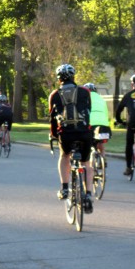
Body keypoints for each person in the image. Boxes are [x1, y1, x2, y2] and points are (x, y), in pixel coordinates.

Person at [49, 64, 93, 213]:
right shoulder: (85, 91)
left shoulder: (54, 94)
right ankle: (88, 194)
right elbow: (89, 110)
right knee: (86, 162)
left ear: (59, 78)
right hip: (84, 133)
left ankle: (65, 188)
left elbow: (53, 119)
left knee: (64, 156)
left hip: (66, 133)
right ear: (74, 76)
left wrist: (54, 135)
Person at [83, 83, 111, 162]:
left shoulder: (85, 98)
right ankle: (103, 159)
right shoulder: (101, 99)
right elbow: (106, 113)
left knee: (88, 143)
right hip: (104, 124)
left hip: (91, 123)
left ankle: (90, 162)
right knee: (100, 142)